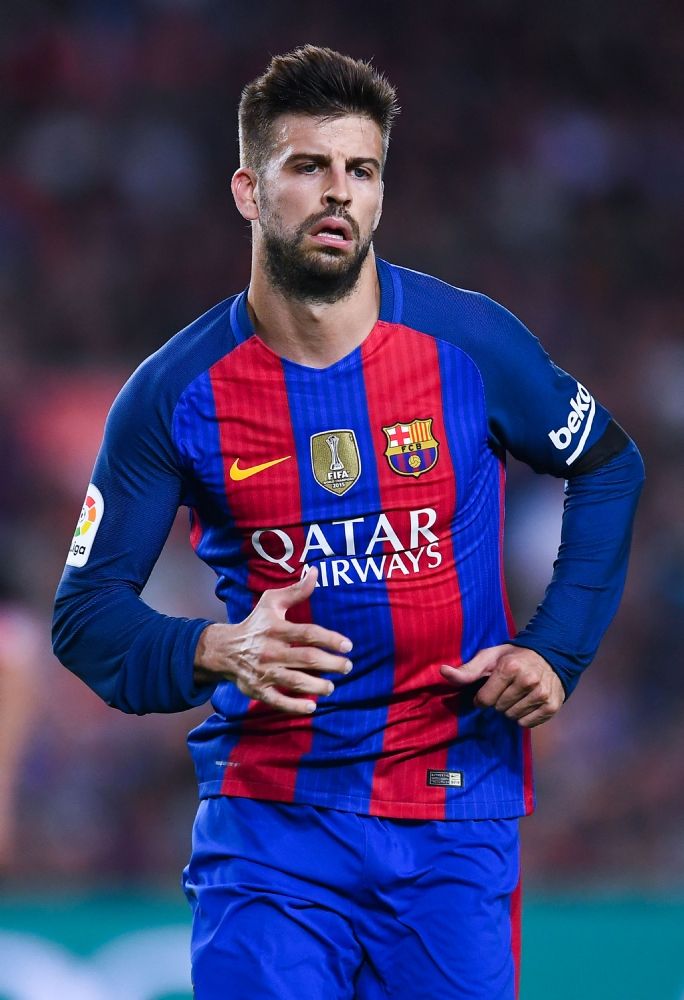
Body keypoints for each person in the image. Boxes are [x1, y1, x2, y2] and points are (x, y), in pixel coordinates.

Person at [52, 45, 644, 999]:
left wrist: (557, 650)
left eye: (361, 170)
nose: (338, 192)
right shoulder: (172, 394)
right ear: (249, 190)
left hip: (454, 808)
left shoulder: (469, 342)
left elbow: (609, 466)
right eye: (308, 166)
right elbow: (85, 618)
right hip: (272, 825)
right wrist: (215, 648)